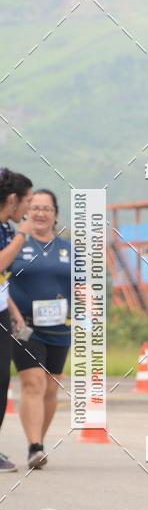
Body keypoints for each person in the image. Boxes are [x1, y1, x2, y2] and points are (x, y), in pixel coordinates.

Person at [9, 188, 71, 470]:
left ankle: (39, 443)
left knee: (51, 384)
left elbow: (81, 284)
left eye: (46, 208)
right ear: (26, 212)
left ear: (55, 214)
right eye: (34, 207)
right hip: (24, 326)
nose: (40, 213)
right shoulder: (16, 244)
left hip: (60, 327)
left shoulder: (68, 249)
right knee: (33, 381)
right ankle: (35, 445)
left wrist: (87, 300)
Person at [0, 169, 33, 473]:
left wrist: (12, 310)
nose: (30, 209)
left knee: (2, 380)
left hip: (1, 311)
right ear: (12, 199)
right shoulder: (11, 231)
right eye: (28, 201)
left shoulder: (6, 227)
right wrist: (23, 234)